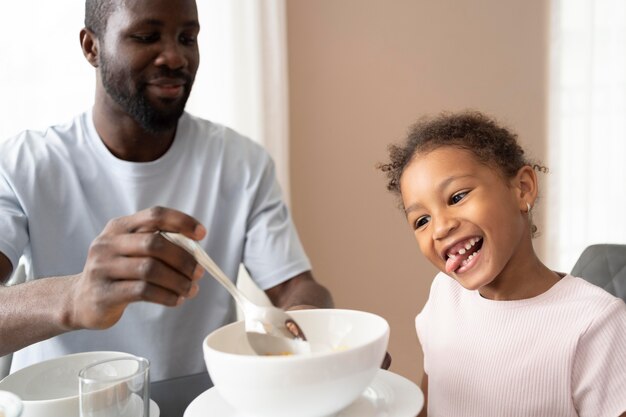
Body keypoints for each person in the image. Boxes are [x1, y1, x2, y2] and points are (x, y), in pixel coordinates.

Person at [0, 0, 333, 389]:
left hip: (200, 405)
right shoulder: (24, 164)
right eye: (146, 36)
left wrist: (315, 328)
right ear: (92, 46)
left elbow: (294, 286)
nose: (175, 57)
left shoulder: (241, 162)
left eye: (187, 38)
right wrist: (73, 297)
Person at [378, 111, 626, 417]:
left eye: (457, 197)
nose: (440, 228)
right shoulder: (444, 295)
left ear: (522, 189)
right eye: (422, 220)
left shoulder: (596, 323)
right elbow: (430, 407)